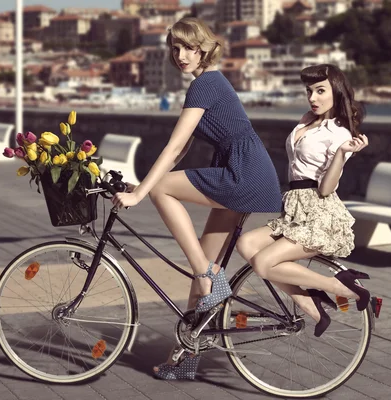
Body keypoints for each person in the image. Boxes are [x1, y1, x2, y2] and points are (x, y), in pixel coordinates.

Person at [110, 17, 283, 380]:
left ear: (204, 48)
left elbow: (173, 146)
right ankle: (184, 361)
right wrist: (138, 186)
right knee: (204, 269)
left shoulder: (206, 84)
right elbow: (180, 151)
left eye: (190, 47)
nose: (182, 55)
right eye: (176, 48)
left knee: (163, 193)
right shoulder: (207, 84)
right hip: (246, 168)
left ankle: (207, 277)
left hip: (244, 171)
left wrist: (142, 191)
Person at [236, 63, 370, 339]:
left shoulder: (340, 133)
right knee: (246, 243)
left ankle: (344, 288)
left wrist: (341, 154)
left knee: (263, 263)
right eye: (309, 91)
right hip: (295, 207)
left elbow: (326, 188)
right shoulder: (307, 118)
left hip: (319, 211)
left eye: (321, 91)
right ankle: (313, 305)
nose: (313, 98)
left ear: (336, 91)